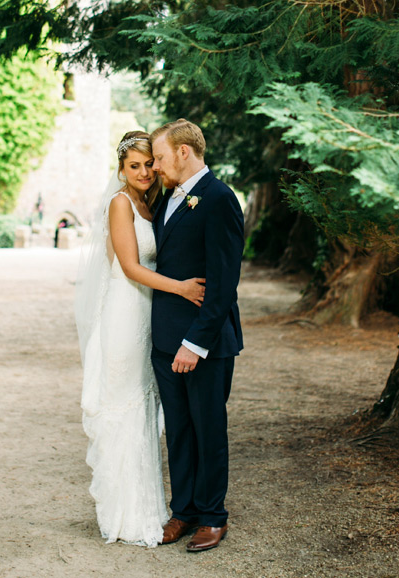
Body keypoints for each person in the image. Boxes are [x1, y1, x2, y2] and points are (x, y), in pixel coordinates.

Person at [75, 130, 206, 547]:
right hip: (125, 314)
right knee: (124, 407)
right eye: (135, 166)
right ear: (121, 170)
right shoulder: (120, 204)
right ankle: (123, 513)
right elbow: (130, 267)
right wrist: (183, 288)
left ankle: (150, 507)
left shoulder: (150, 206)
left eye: (150, 163)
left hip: (148, 315)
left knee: (145, 410)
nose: (145, 171)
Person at [149, 118, 244, 553]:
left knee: (208, 428)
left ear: (184, 152)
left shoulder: (220, 199)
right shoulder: (167, 198)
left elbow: (223, 284)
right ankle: (183, 510)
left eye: (161, 157)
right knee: (180, 430)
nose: (155, 166)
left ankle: (212, 515)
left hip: (203, 342)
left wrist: (195, 343)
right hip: (165, 339)